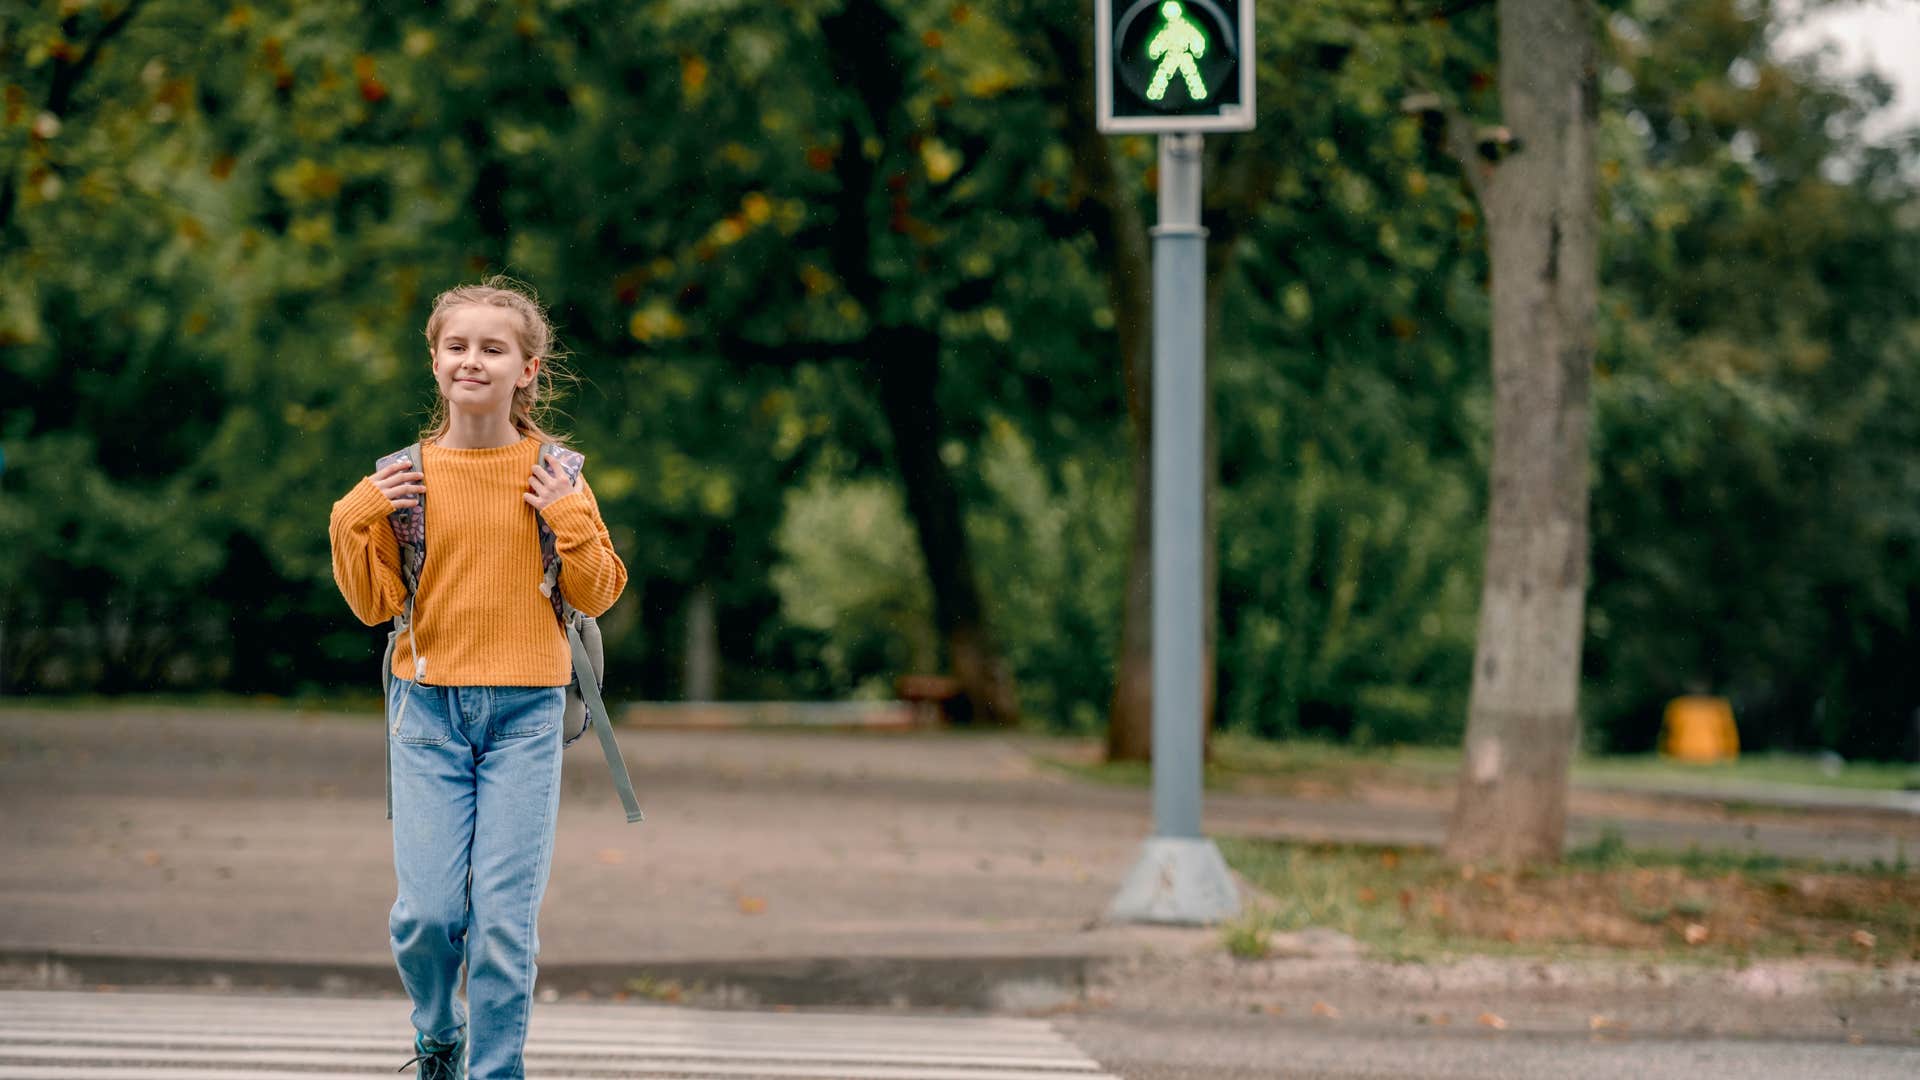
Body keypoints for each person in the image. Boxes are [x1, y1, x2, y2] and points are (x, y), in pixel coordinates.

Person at [328, 277, 627, 1080]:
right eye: (457, 346)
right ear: (434, 361)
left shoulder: (557, 474)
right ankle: (437, 1033)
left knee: (502, 924)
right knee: (427, 916)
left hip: (527, 715)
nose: (473, 360)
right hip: (425, 713)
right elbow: (373, 605)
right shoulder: (401, 480)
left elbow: (599, 592)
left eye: (494, 348)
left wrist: (566, 516)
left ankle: (495, 1072)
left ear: (527, 369)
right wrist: (352, 515)